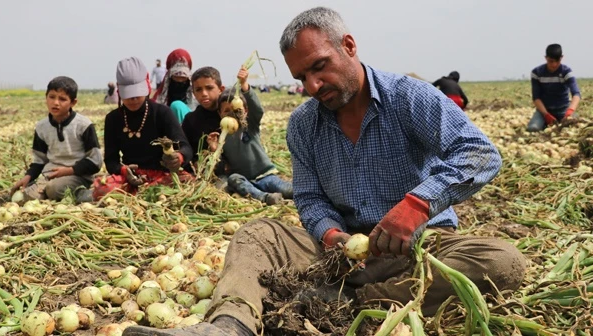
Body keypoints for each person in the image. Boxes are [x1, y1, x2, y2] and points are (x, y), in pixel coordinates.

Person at [122, 7, 526, 336]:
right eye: (302, 78)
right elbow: (311, 199)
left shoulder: (409, 97)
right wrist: (332, 234)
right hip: (339, 255)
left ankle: (352, 303)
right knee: (258, 234)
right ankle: (229, 326)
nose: (313, 85)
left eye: (320, 67)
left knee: (502, 261)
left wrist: (419, 205)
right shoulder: (304, 123)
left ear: (349, 46)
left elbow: (480, 153)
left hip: (418, 250)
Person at [92, 57, 194, 201]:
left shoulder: (162, 113)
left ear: (147, 85)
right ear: (119, 90)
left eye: (137, 94)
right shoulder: (113, 119)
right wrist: (123, 171)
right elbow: (111, 160)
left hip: (163, 175)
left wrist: (179, 157)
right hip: (132, 177)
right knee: (103, 190)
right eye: (129, 95)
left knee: (188, 185)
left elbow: (186, 147)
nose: (133, 99)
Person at [206, 68, 293, 206]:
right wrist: (214, 149)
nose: (231, 114)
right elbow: (221, 169)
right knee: (234, 179)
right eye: (226, 111)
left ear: (245, 111)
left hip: (266, 176)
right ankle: (265, 198)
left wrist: (245, 85)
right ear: (220, 114)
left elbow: (257, 109)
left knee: (286, 189)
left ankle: (307, 193)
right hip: (245, 180)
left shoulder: (249, 125)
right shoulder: (221, 137)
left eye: (236, 110)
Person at [10, 76, 102, 203]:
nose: (56, 102)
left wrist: (68, 171)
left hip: (78, 175)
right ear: (46, 97)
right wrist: (28, 176)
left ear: (73, 103)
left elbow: (95, 161)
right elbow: (39, 160)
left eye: (62, 99)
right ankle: (50, 191)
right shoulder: (42, 127)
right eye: (52, 97)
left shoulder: (83, 125)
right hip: (50, 175)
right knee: (26, 198)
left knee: (54, 189)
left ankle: (86, 194)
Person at [527, 44, 581, 132]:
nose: (554, 64)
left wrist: (570, 111)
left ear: (561, 58)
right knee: (533, 128)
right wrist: (546, 115)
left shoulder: (566, 72)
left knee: (575, 127)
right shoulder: (537, 73)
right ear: (546, 58)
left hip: (563, 109)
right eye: (551, 61)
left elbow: (576, 94)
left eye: (557, 61)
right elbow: (536, 98)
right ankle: (545, 123)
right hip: (545, 110)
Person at [181, 66, 225, 165]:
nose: (204, 94)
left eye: (209, 88)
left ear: (221, 89)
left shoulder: (230, 115)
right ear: (194, 93)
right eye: (198, 90)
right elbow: (187, 150)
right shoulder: (191, 120)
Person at [153, 49, 198, 124]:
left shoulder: (197, 96)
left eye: (183, 77)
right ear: (170, 77)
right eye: (176, 77)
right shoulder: (158, 100)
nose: (180, 81)